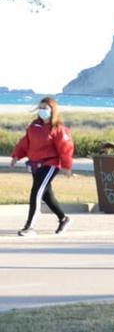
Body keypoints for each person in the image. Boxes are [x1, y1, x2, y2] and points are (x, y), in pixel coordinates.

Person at [9, 97, 75, 236]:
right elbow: (25, 143)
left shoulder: (58, 129)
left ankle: (29, 227)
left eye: (45, 108)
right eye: (40, 108)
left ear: (52, 110)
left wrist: (66, 166)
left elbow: (65, 148)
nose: (42, 110)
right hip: (35, 165)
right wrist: (16, 156)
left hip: (50, 164)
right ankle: (63, 218)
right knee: (46, 195)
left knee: (36, 193)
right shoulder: (34, 127)